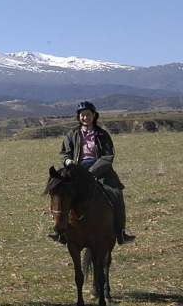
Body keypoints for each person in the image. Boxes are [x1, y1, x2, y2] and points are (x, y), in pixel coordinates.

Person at [50, 101, 135, 245]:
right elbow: (64, 153)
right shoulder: (72, 135)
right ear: (79, 117)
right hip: (76, 171)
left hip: (101, 171)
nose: (85, 118)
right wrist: (68, 162)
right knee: (61, 194)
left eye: (88, 114)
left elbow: (108, 156)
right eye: (82, 115)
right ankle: (60, 232)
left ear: (94, 116)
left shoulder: (102, 135)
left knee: (116, 193)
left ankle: (121, 231)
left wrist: (93, 171)